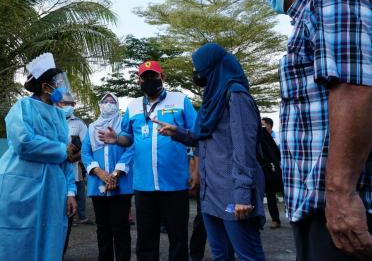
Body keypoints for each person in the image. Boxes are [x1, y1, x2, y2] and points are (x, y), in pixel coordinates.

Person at [251, 0, 372, 260]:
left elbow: (354, 88)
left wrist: (341, 193)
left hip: (339, 206)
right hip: (317, 206)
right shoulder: (308, 17)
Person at [154, 43, 266, 261]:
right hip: (210, 193)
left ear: (213, 68)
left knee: (248, 256)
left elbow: (244, 149)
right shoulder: (211, 99)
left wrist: (242, 194)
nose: (197, 74)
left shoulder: (236, 96)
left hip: (233, 193)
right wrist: (177, 132)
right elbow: (201, 136)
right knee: (220, 255)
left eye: (199, 68)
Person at [0, 53, 77, 261]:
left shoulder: (59, 114)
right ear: (46, 87)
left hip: (52, 189)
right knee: (11, 241)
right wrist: (62, 150)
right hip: (19, 186)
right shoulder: (22, 107)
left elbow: (67, 156)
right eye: (58, 83)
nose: (62, 87)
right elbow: (24, 143)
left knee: (47, 237)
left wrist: (70, 192)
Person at [98, 60, 198, 261]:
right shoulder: (134, 106)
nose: (149, 80)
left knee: (178, 239)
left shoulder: (180, 100)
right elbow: (128, 137)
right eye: (145, 77)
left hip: (175, 183)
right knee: (145, 240)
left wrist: (196, 169)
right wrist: (116, 139)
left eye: (154, 76)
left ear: (163, 77)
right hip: (144, 185)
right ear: (139, 81)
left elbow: (196, 134)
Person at [81, 93, 134, 261]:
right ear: (100, 105)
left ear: (118, 105)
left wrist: (115, 174)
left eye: (113, 102)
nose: (109, 104)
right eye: (106, 101)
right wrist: (100, 173)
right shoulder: (92, 128)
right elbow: (85, 153)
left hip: (122, 185)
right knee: (103, 229)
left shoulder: (124, 126)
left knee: (121, 228)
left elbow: (131, 149)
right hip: (98, 185)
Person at [58, 92, 91, 257]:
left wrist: (73, 158)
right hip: (53, 173)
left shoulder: (79, 124)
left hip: (73, 168)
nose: (66, 106)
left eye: (70, 103)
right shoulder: (50, 119)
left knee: (77, 194)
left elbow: (86, 146)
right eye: (64, 103)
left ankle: (81, 217)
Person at [260, 117, 283, 229]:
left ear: (269, 125)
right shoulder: (260, 137)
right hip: (268, 170)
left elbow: (280, 154)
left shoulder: (278, 137)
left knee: (286, 193)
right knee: (270, 195)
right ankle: (275, 219)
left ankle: (295, 217)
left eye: (263, 124)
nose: (262, 126)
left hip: (281, 170)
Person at [188, 153, 208, 261]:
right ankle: (195, 254)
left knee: (229, 217)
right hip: (206, 179)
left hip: (226, 179)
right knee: (202, 216)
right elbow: (196, 151)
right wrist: (195, 173)